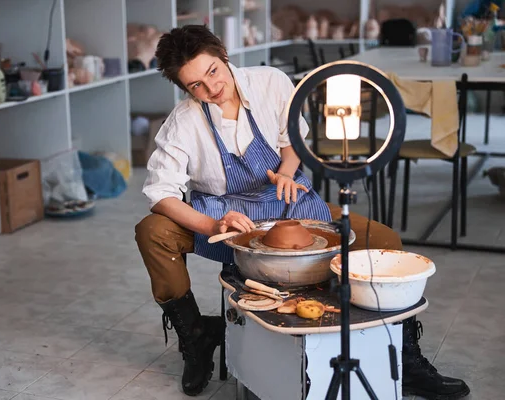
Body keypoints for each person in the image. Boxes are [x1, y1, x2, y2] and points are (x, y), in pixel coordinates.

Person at [135, 24, 470, 399]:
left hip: (288, 205)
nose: (211, 88)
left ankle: (405, 360)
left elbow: (292, 136)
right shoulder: (184, 122)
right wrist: (214, 223)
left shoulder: (270, 83)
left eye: (212, 71)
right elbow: (161, 194)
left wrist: (286, 170)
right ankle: (196, 338)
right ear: (185, 89)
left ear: (223, 54)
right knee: (152, 230)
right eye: (196, 85)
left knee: (384, 240)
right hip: (229, 221)